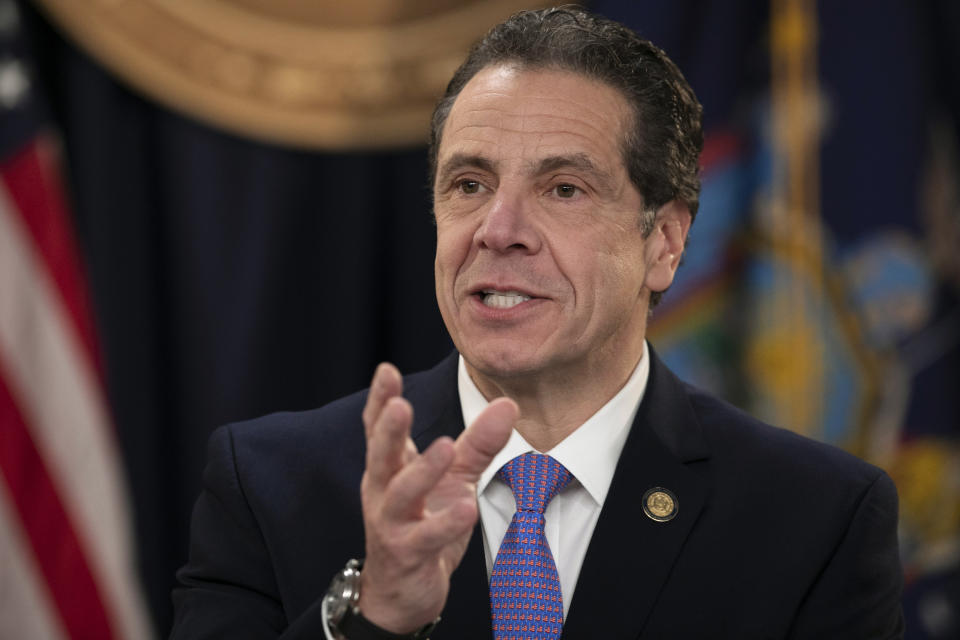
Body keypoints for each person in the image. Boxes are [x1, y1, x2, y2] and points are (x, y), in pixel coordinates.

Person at [171, 7, 904, 639]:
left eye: (562, 188)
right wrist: (376, 617)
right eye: (469, 184)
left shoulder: (815, 520)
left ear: (665, 243)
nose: (499, 229)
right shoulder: (269, 487)